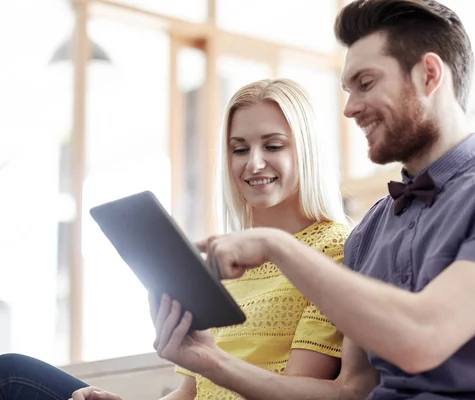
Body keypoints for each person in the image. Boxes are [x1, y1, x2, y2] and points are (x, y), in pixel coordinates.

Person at [151, 1, 475, 399]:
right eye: (347, 89)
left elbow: (423, 337)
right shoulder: (372, 230)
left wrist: (275, 245)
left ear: (429, 75)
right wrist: (210, 362)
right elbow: (350, 392)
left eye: (365, 83)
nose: (350, 108)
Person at [0, 78, 351, 400]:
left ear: (306, 151)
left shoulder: (333, 248)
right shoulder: (226, 258)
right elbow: (190, 392)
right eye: (239, 149)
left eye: (274, 146)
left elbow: (296, 391)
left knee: (11, 379)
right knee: (12, 371)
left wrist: (212, 361)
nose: (254, 164)